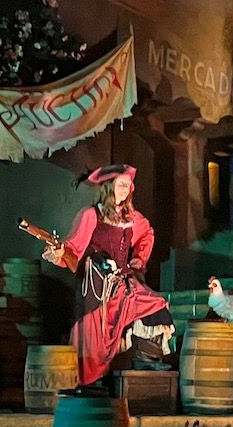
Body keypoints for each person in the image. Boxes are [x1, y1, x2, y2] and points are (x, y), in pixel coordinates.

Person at [41, 163, 175, 387]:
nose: (126, 189)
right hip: (96, 286)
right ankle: (91, 384)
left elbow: (147, 234)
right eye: (121, 185)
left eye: (129, 186)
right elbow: (74, 247)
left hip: (124, 282)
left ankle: (145, 366)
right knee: (94, 337)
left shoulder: (132, 218)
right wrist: (60, 252)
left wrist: (138, 260)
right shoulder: (91, 215)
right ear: (109, 186)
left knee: (155, 306)